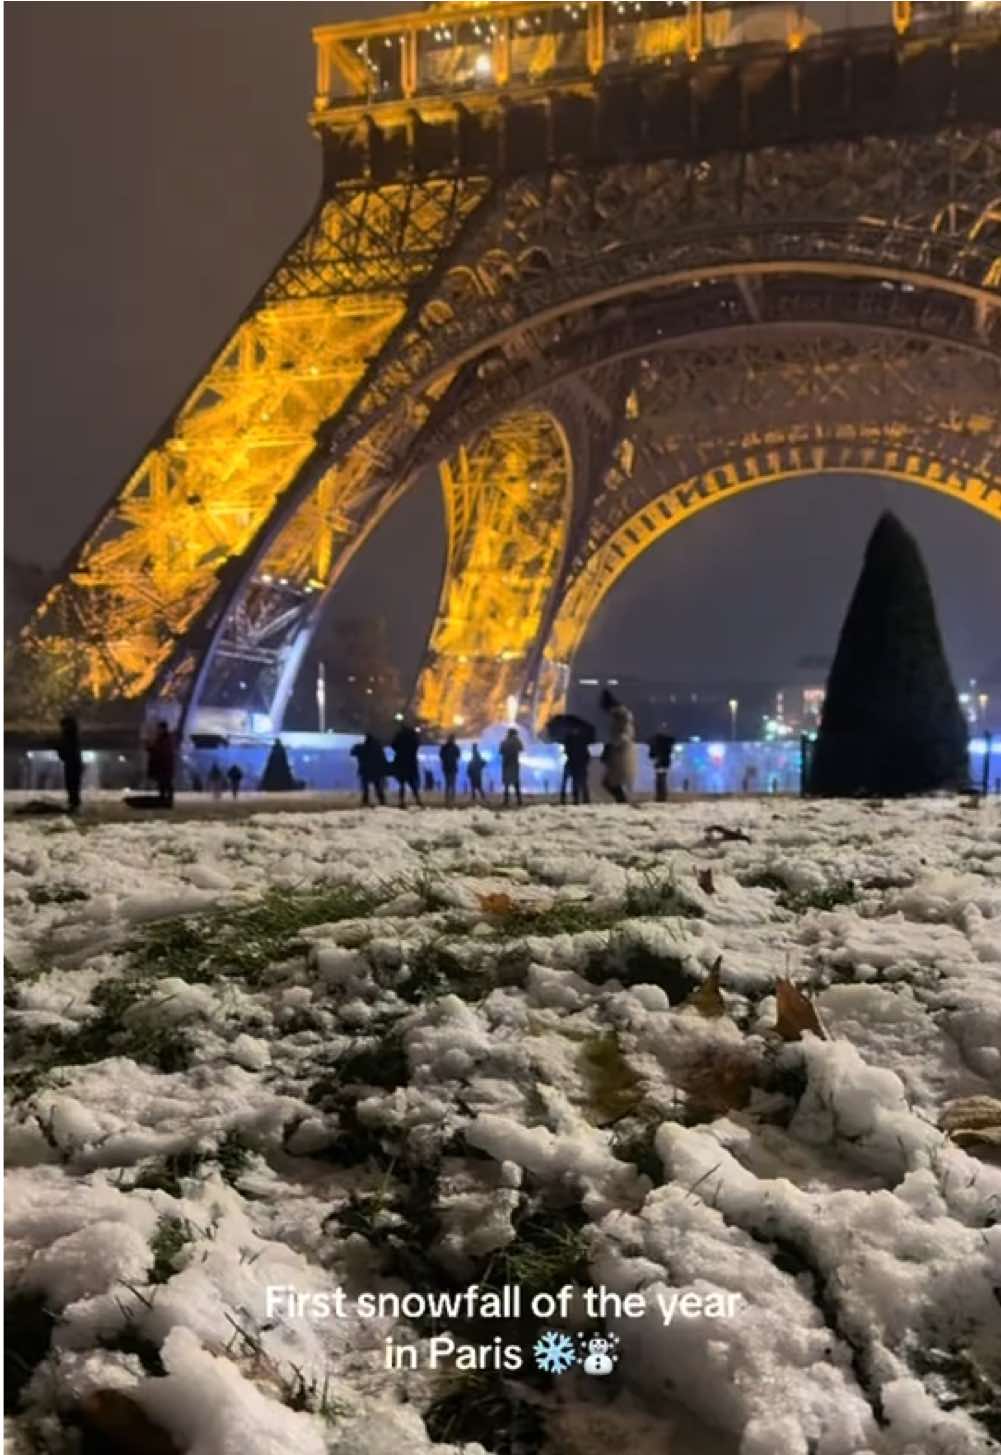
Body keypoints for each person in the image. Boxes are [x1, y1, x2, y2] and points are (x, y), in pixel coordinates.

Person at [601, 697, 636, 804]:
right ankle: (622, 801)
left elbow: (622, 737)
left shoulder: (621, 720)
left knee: (610, 782)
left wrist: (613, 744)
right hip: (619, 755)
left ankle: (622, 801)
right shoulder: (623, 718)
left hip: (619, 755)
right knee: (611, 782)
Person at [391, 721, 423, 808]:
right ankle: (418, 800)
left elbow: (393, 745)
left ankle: (401, 801)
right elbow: (416, 747)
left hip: (401, 762)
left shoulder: (400, 737)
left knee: (402, 784)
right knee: (412, 784)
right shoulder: (413, 738)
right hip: (411, 763)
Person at [351, 733, 388, 807]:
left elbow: (352, 753)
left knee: (365, 788)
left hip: (365, 770)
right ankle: (382, 801)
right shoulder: (377, 749)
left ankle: (365, 801)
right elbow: (382, 759)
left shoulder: (361, 747)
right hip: (375, 771)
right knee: (378, 787)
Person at [56, 714, 83, 814]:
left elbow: (65, 751)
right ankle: (74, 804)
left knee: (72, 785)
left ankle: (74, 804)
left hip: (72, 764)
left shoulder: (68, 736)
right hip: (74, 763)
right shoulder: (72, 735)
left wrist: (58, 747)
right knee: (73, 785)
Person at [147, 722, 176, 808]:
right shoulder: (162, 739)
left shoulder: (166, 739)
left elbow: (162, 752)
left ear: (163, 729)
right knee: (162, 784)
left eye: (159, 729)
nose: (158, 730)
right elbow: (157, 750)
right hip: (162, 766)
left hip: (164, 766)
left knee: (166, 784)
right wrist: (151, 748)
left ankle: (167, 801)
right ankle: (164, 800)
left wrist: (152, 749)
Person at [564, 727, 592, 805]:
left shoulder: (569, 739)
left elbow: (567, 751)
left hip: (575, 764)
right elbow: (587, 754)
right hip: (579, 764)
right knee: (582, 783)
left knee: (576, 783)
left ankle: (577, 800)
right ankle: (585, 800)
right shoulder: (581, 740)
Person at [499, 727, 524, 808]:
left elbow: (501, 751)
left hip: (506, 764)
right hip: (514, 764)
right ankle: (519, 800)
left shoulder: (504, 742)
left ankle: (506, 800)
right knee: (516, 783)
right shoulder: (517, 741)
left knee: (506, 784)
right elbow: (521, 748)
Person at [440, 735, 461, 807]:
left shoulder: (444, 747)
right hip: (452, 768)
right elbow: (458, 756)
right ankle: (451, 800)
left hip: (447, 768)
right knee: (452, 784)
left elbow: (441, 756)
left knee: (448, 784)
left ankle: (447, 800)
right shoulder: (455, 747)